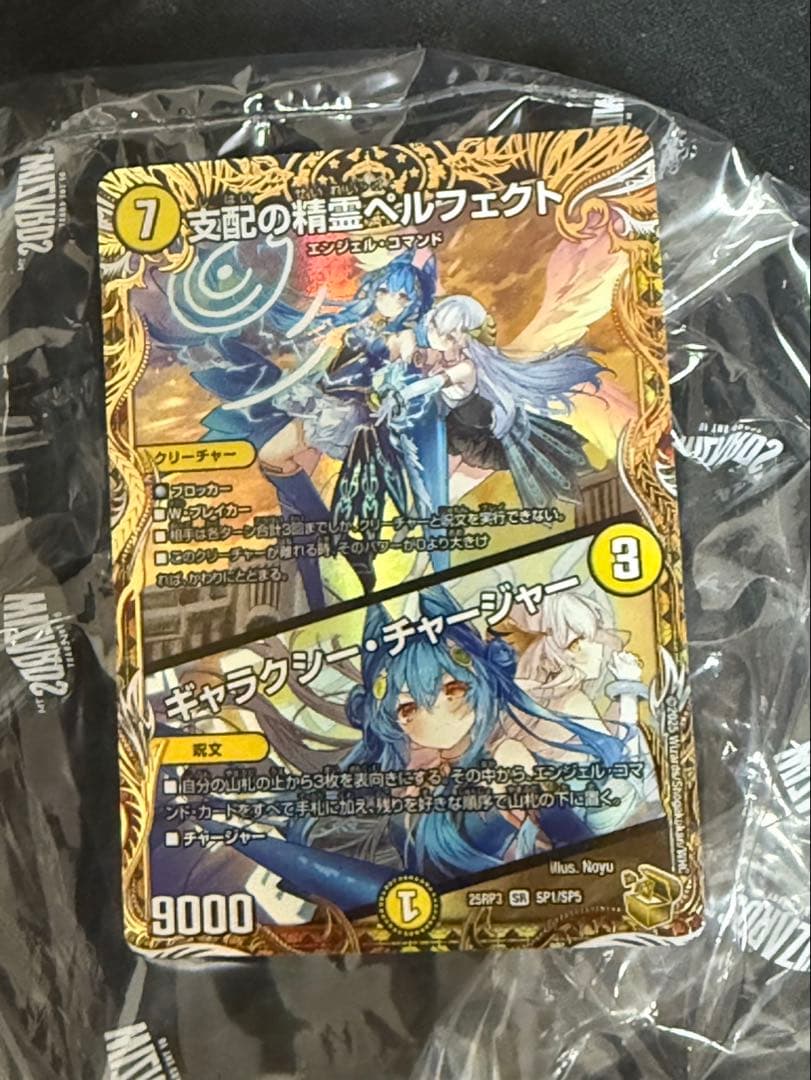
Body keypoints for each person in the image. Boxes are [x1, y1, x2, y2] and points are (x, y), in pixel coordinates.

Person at [376, 294, 605, 507]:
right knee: (427, 491)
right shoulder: (434, 351)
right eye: (436, 327)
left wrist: (401, 396)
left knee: (446, 498)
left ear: (464, 339)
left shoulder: (465, 368)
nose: (439, 338)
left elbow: (432, 384)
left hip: (482, 441)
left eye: (450, 335)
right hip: (451, 430)